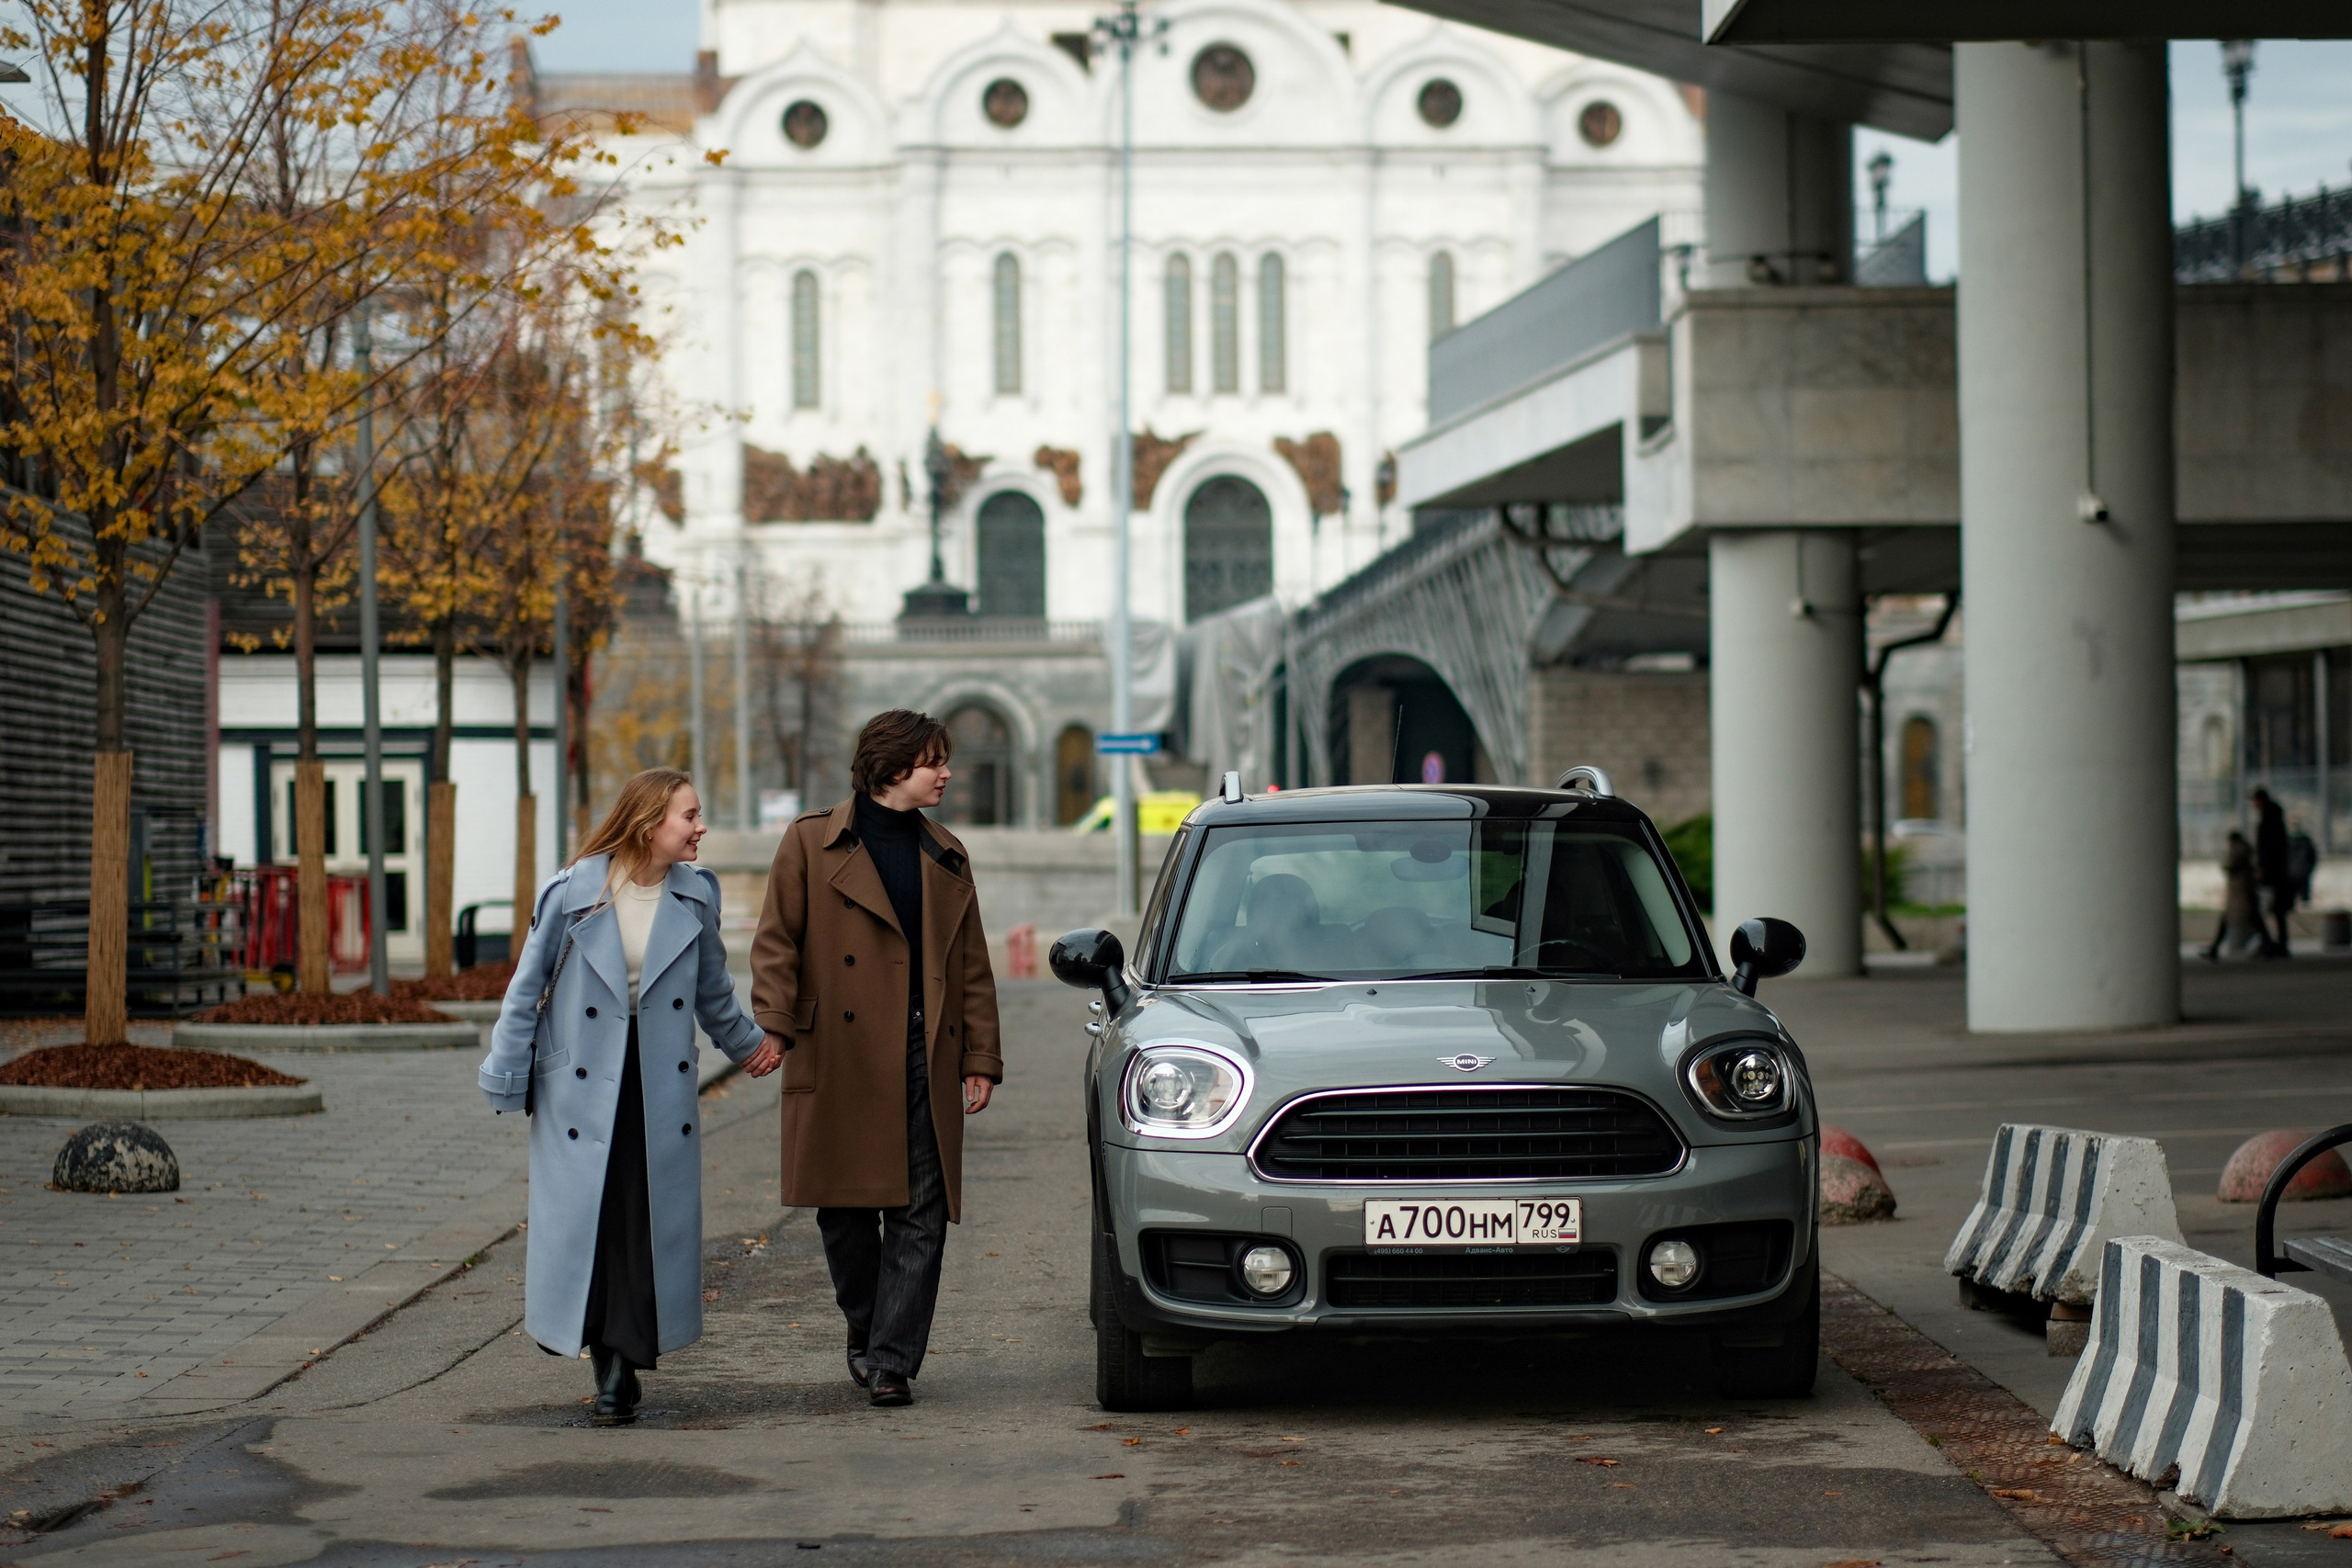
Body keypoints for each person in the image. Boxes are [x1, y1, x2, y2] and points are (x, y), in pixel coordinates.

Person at [479, 768, 784, 1424]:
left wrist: (750, 1045)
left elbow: (712, 991)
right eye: (690, 816)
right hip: (581, 1084)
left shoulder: (696, 895)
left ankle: (623, 1357)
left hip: (656, 1079)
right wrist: (505, 1071)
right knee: (595, 1219)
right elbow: (526, 988)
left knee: (644, 1219)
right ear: (649, 824)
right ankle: (611, 1364)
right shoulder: (573, 892)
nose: (701, 827)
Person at [750, 708, 1004, 1408]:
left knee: (923, 1209)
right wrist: (774, 1025)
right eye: (934, 762)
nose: (946, 773)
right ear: (893, 768)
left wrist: (979, 1055)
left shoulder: (946, 852)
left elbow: (972, 964)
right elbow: (776, 941)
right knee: (844, 1210)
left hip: (925, 1044)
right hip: (839, 1047)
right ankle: (866, 1326)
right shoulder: (811, 841)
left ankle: (891, 1359)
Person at [2203, 829, 2263, 962]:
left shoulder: (2238, 852)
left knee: (2246, 919)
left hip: (2240, 896)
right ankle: (2214, 948)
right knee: (2253, 919)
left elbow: (2228, 866)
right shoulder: (2245, 852)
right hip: (2243, 895)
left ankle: (2214, 948)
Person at [2250, 786, 2293, 956]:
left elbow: (2267, 848)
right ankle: (2280, 943)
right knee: (2278, 910)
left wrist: (2262, 868)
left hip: (2270, 873)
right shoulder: (2276, 819)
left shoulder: (2268, 821)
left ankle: (2268, 943)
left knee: (2257, 910)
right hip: (2279, 872)